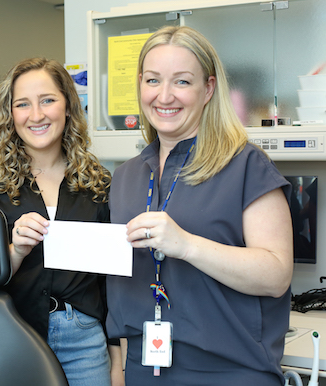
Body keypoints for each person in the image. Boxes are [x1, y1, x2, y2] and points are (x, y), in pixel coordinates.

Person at [107, 26, 293, 385]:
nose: (164, 96)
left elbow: (276, 274)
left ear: (208, 89)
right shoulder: (127, 175)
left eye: (181, 82)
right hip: (147, 366)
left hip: (230, 369)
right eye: (152, 80)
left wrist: (187, 245)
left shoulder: (246, 165)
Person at [0, 57, 124, 386]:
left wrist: (118, 362)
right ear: (10, 114)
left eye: (47, 100)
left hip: (85, 343)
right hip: (9, 336)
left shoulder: (98, 183)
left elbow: (111, 282)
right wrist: (14, 249)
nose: (36, 115)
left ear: (68, 107)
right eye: (23, 104)